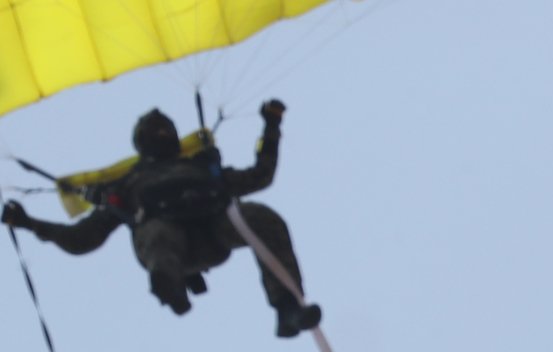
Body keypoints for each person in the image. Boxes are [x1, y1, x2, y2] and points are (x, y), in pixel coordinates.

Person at [2, 101, 321, 338]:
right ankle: (169, 285)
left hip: (216, 231)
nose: (163, 132)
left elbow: (261, 176)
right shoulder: (125, 186)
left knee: (262, 217)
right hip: (168, 244)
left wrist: (271, 126)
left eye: (167, 128)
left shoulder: (202, 168)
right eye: (155, 131)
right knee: (158, 231)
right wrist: (29, 223)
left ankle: (287, 308)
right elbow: (83, 238)